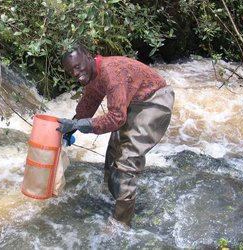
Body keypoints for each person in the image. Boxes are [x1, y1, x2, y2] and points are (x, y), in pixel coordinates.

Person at [57, 44, 174, 227]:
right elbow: (88, 104)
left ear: (89, 57)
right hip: (133, 101)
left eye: (78, 67)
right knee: (114, 149)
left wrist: (82, 125)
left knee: (127, 158)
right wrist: (70, 127)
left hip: (154, 100)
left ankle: (121, 224)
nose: (76, 74)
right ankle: (110, 195)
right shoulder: (93, 75)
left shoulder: (112, 74)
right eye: (71, 71)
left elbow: (117, 118)